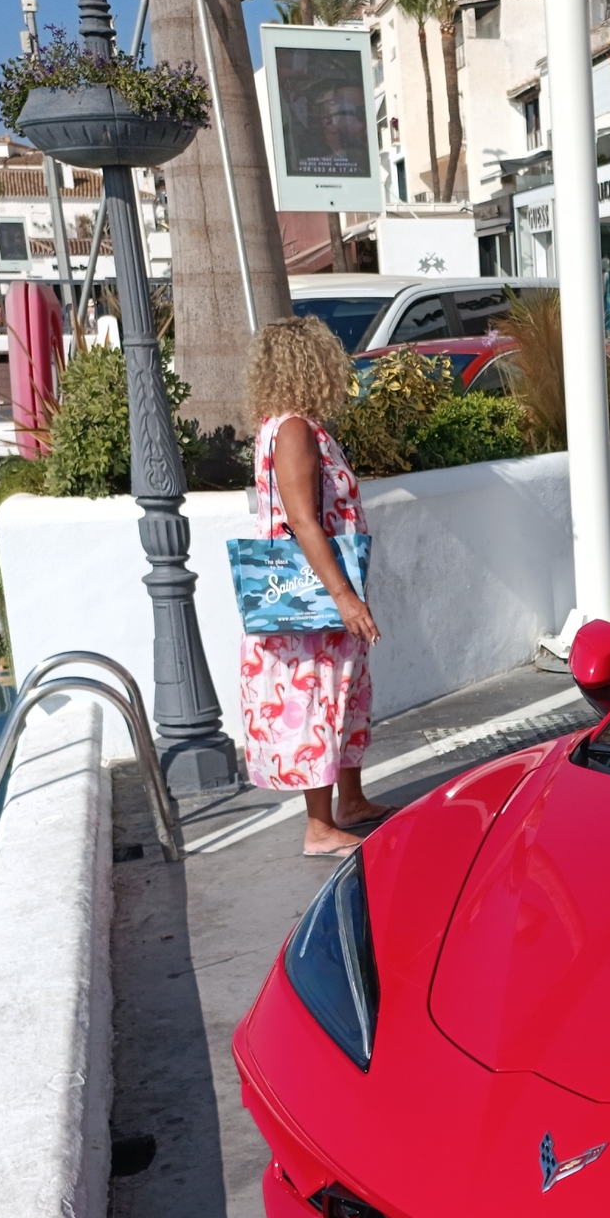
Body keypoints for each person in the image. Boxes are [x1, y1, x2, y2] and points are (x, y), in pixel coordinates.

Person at [240, 316, 385, 857]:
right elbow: (301, 520)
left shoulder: (286, 425)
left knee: (345, 694)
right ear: (311, 366)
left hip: (320, 589)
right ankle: (320, 826)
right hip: (313, 595)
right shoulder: (294, 429)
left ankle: (349, 802)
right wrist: (344, 596)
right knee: (318, 697)